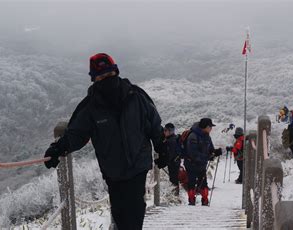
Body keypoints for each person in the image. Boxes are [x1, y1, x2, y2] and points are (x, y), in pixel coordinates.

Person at [43, 53, 163, 230]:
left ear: (116, 72)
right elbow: (77, 133)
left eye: (108, 75)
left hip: (138, 166)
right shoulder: (91, 106)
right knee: (120, 213)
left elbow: (154, 124)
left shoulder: (136, 96)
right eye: (101, 77)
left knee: (135, 211)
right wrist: (58, 149)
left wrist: (162, 147)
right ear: (94, 79)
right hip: (112, 171)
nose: (106, 80)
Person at [184, 118, 222, 206]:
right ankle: (191, 200)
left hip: (201, 163)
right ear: (205, 127)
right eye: (210, 127)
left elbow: (210, 150)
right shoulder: (193, 136)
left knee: (203, 182)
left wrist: (215, 152)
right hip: (191, 163)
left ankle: (205, 200)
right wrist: (208, 157)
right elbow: (192, 153)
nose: (211, 129)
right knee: (192, 181)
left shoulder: (207, 136)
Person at [163, 123, 181, 193]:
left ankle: (175, 195)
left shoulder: (171, 141)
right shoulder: (174, 138)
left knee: (173, 179)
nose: (164, 132)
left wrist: (165, 160)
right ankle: (175, 194)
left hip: (173, 163)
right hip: (176, 161)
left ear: (170, 131)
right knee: (174, 178)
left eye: (165, 130)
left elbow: (170, 154)